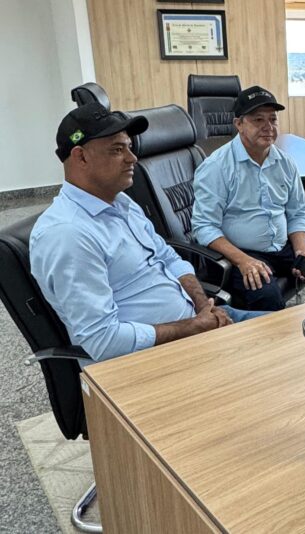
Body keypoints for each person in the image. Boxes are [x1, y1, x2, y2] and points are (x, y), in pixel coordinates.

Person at [30, 103, 266, 365]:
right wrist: (195, 327)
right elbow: (104, 340)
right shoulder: (68, 235)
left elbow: (169, 258)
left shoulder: (121, 202)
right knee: (285, 368)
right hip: (154, 359)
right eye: (117, 150)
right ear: (81, 157)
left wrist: (202, 308)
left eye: (129, 147)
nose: (132, 159)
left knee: (297, 332)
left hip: (197, 323)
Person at [191, 85, 305, 310]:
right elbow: (204, 227)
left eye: (273, 120)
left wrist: (301, 251)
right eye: (258, 120)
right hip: (241, 254)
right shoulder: (216, 167)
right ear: (239, 124)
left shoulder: (285, 163)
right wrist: (243, 260)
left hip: (285, 249)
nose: (268, 127)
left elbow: (297, 213)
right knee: (268, 298)